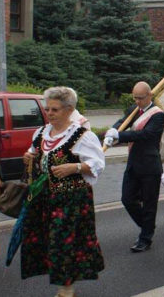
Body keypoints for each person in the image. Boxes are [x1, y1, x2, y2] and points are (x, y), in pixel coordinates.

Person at [22, 87, 105, 297]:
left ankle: (66, 289)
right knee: (47, 240)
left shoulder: (82, 136)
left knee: (64, 241)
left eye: (55, 109)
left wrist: (74, 167)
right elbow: (34, 152)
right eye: (47, 109)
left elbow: (97, 163)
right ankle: (63, 285)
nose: (49, 113)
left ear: (69, 110)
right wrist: (29, 157)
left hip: (72, 199)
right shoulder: (41, 133)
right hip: (45, 198)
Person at [105, 82, 164, 252]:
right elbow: (122, 122)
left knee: (149, 203)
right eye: (135, 98)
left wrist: (120, 135)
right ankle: (148, 226)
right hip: (133, 164)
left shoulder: (158, 115)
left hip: (149, 165)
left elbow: (146, 134)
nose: (137, 101)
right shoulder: (134, 109)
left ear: (149, 96)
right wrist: (112, 131)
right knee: (127, 199)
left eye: (141, 98)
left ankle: (145, 238)